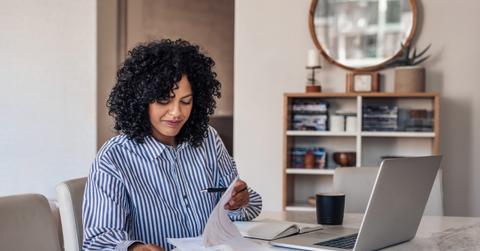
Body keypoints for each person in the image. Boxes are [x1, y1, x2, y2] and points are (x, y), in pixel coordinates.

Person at [82, 39, 262, 251]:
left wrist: (240, 201)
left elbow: (247, 209)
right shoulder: (114, 157)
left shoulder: (209, 140)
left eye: (186, 101)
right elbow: (98, 241)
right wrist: (134, 249)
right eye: (164, 100)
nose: (177, 112)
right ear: (141, 101)